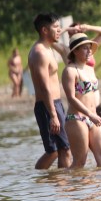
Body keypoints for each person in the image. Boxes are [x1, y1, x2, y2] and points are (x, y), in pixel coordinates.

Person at [61, 27, 101, 168]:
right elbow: (71, 98)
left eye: (90, 48)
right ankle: (72, 189)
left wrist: (96, 113)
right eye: (85, 48)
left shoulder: (90, 69)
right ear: (75, 51)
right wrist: (89, 114)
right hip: (76, 119)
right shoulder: (70, 71)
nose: (89, 51)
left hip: (94, 117)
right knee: (80, 162)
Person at [28, 13, 72, 169]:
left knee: (62, 149)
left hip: (54, 104)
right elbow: (44, 86)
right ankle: (40, 181)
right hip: (48, 106)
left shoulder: (47, 48)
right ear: (44, 30)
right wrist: (53, 114)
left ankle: (59, 187)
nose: (59, 31)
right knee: (56, 151)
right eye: (56, 27)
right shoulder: (39, 52)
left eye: (60, 27)